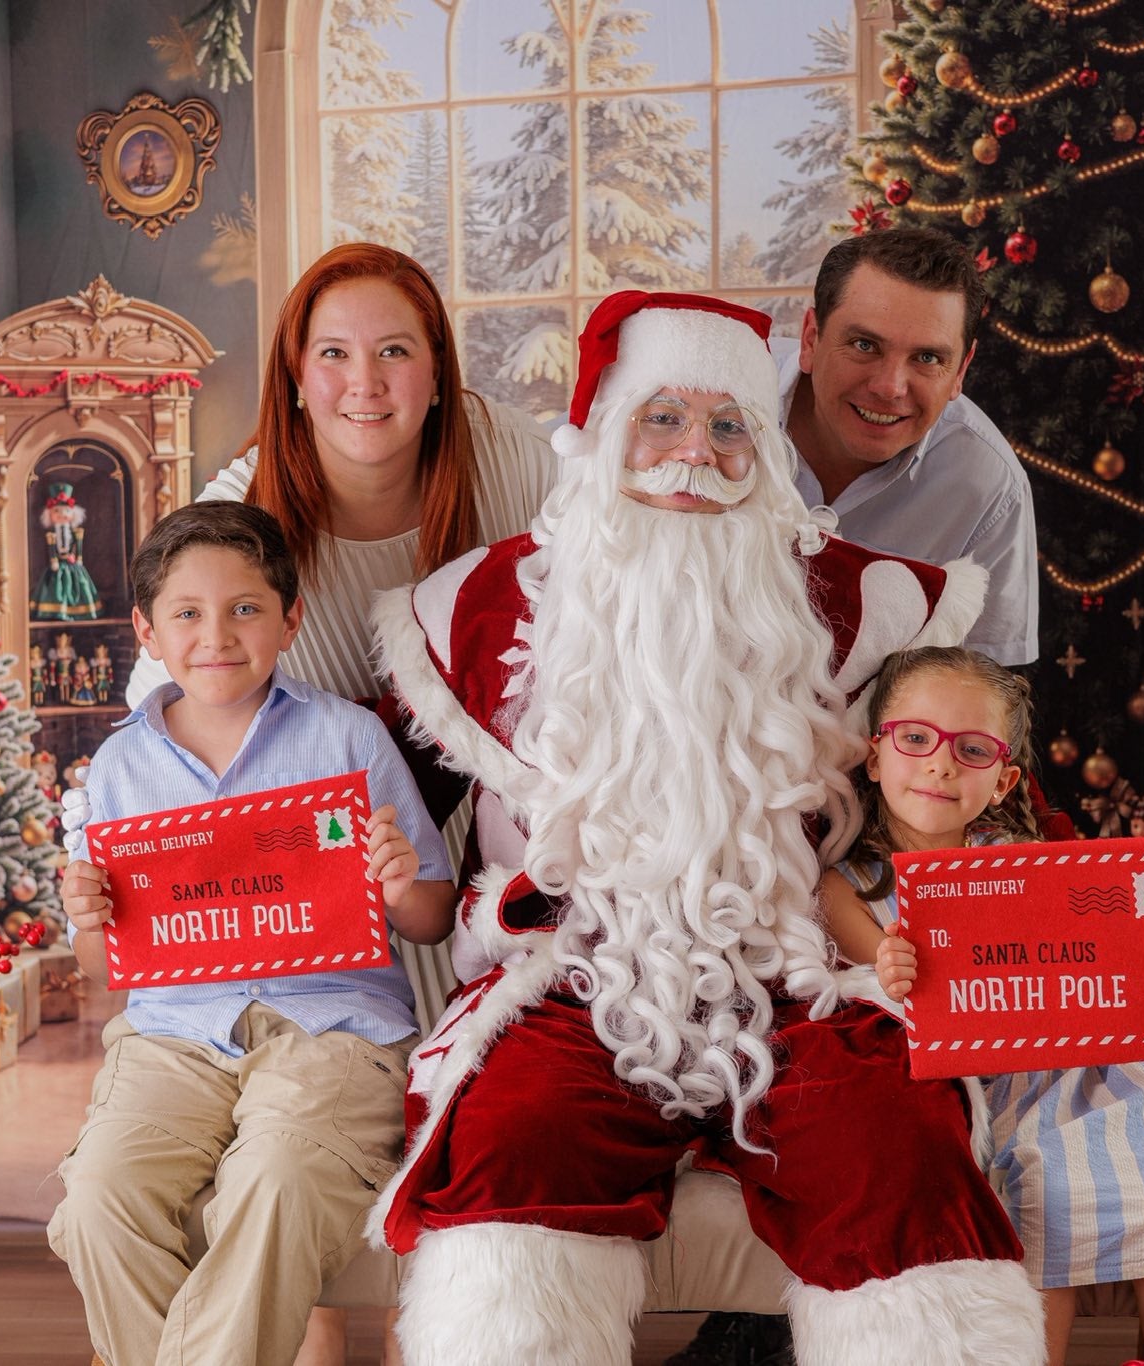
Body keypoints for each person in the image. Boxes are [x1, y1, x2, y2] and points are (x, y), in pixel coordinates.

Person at [370, 291, 1041, 1366]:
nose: (695, 453)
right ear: (603, 435)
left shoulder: (866, 605)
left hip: (803, 978)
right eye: (663, 418)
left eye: (729, 425)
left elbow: (979, 776)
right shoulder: (480, 609)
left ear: (764, 450)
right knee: (512, 1145)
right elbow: (371, 789)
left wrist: (1115, 921)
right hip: (575, 981)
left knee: (897, 1143)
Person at [66, 242, 555, 1365]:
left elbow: (598, 608)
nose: (364, 383)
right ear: (294, 375)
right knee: (275, 1233)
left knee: (353, 1158)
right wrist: (102, 871)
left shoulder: (505, 462)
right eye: (332, 353)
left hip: (454, 860)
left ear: (439, 370)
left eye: (395, 351)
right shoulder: (240, 514)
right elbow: (166, 731)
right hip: (292, 878)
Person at [48, 502, 457, 1366]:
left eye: (245, 608)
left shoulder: (348, 737)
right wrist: (89, 919)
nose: (217, 636)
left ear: (290, 619)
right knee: (96, 1198)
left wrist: (397, 884)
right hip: (173, 1036)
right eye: (187, 613)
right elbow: (105, 970)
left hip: (333, 1032)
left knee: (275, 1177)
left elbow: (431, 918)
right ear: (147, 632)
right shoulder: (120, 766)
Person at [823, 646, 1144, 1366]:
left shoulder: (1029, 860)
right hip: (987, 1081)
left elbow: (1120, 944)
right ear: (876, 756)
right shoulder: (847, 886)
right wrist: (891, 967)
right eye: (916, 739)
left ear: (1003, 780)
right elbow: (875, 990)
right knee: (1046, 1209)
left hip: (1095, 1065)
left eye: (972, 750)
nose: (941, 766)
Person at [778, 226, 1038, 666]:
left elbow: (984, 685)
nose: (890, 387)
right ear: (810, 339)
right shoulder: (707, 404)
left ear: (961, 370)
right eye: (864, 345)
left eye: (928, 358)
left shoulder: (991, 486)